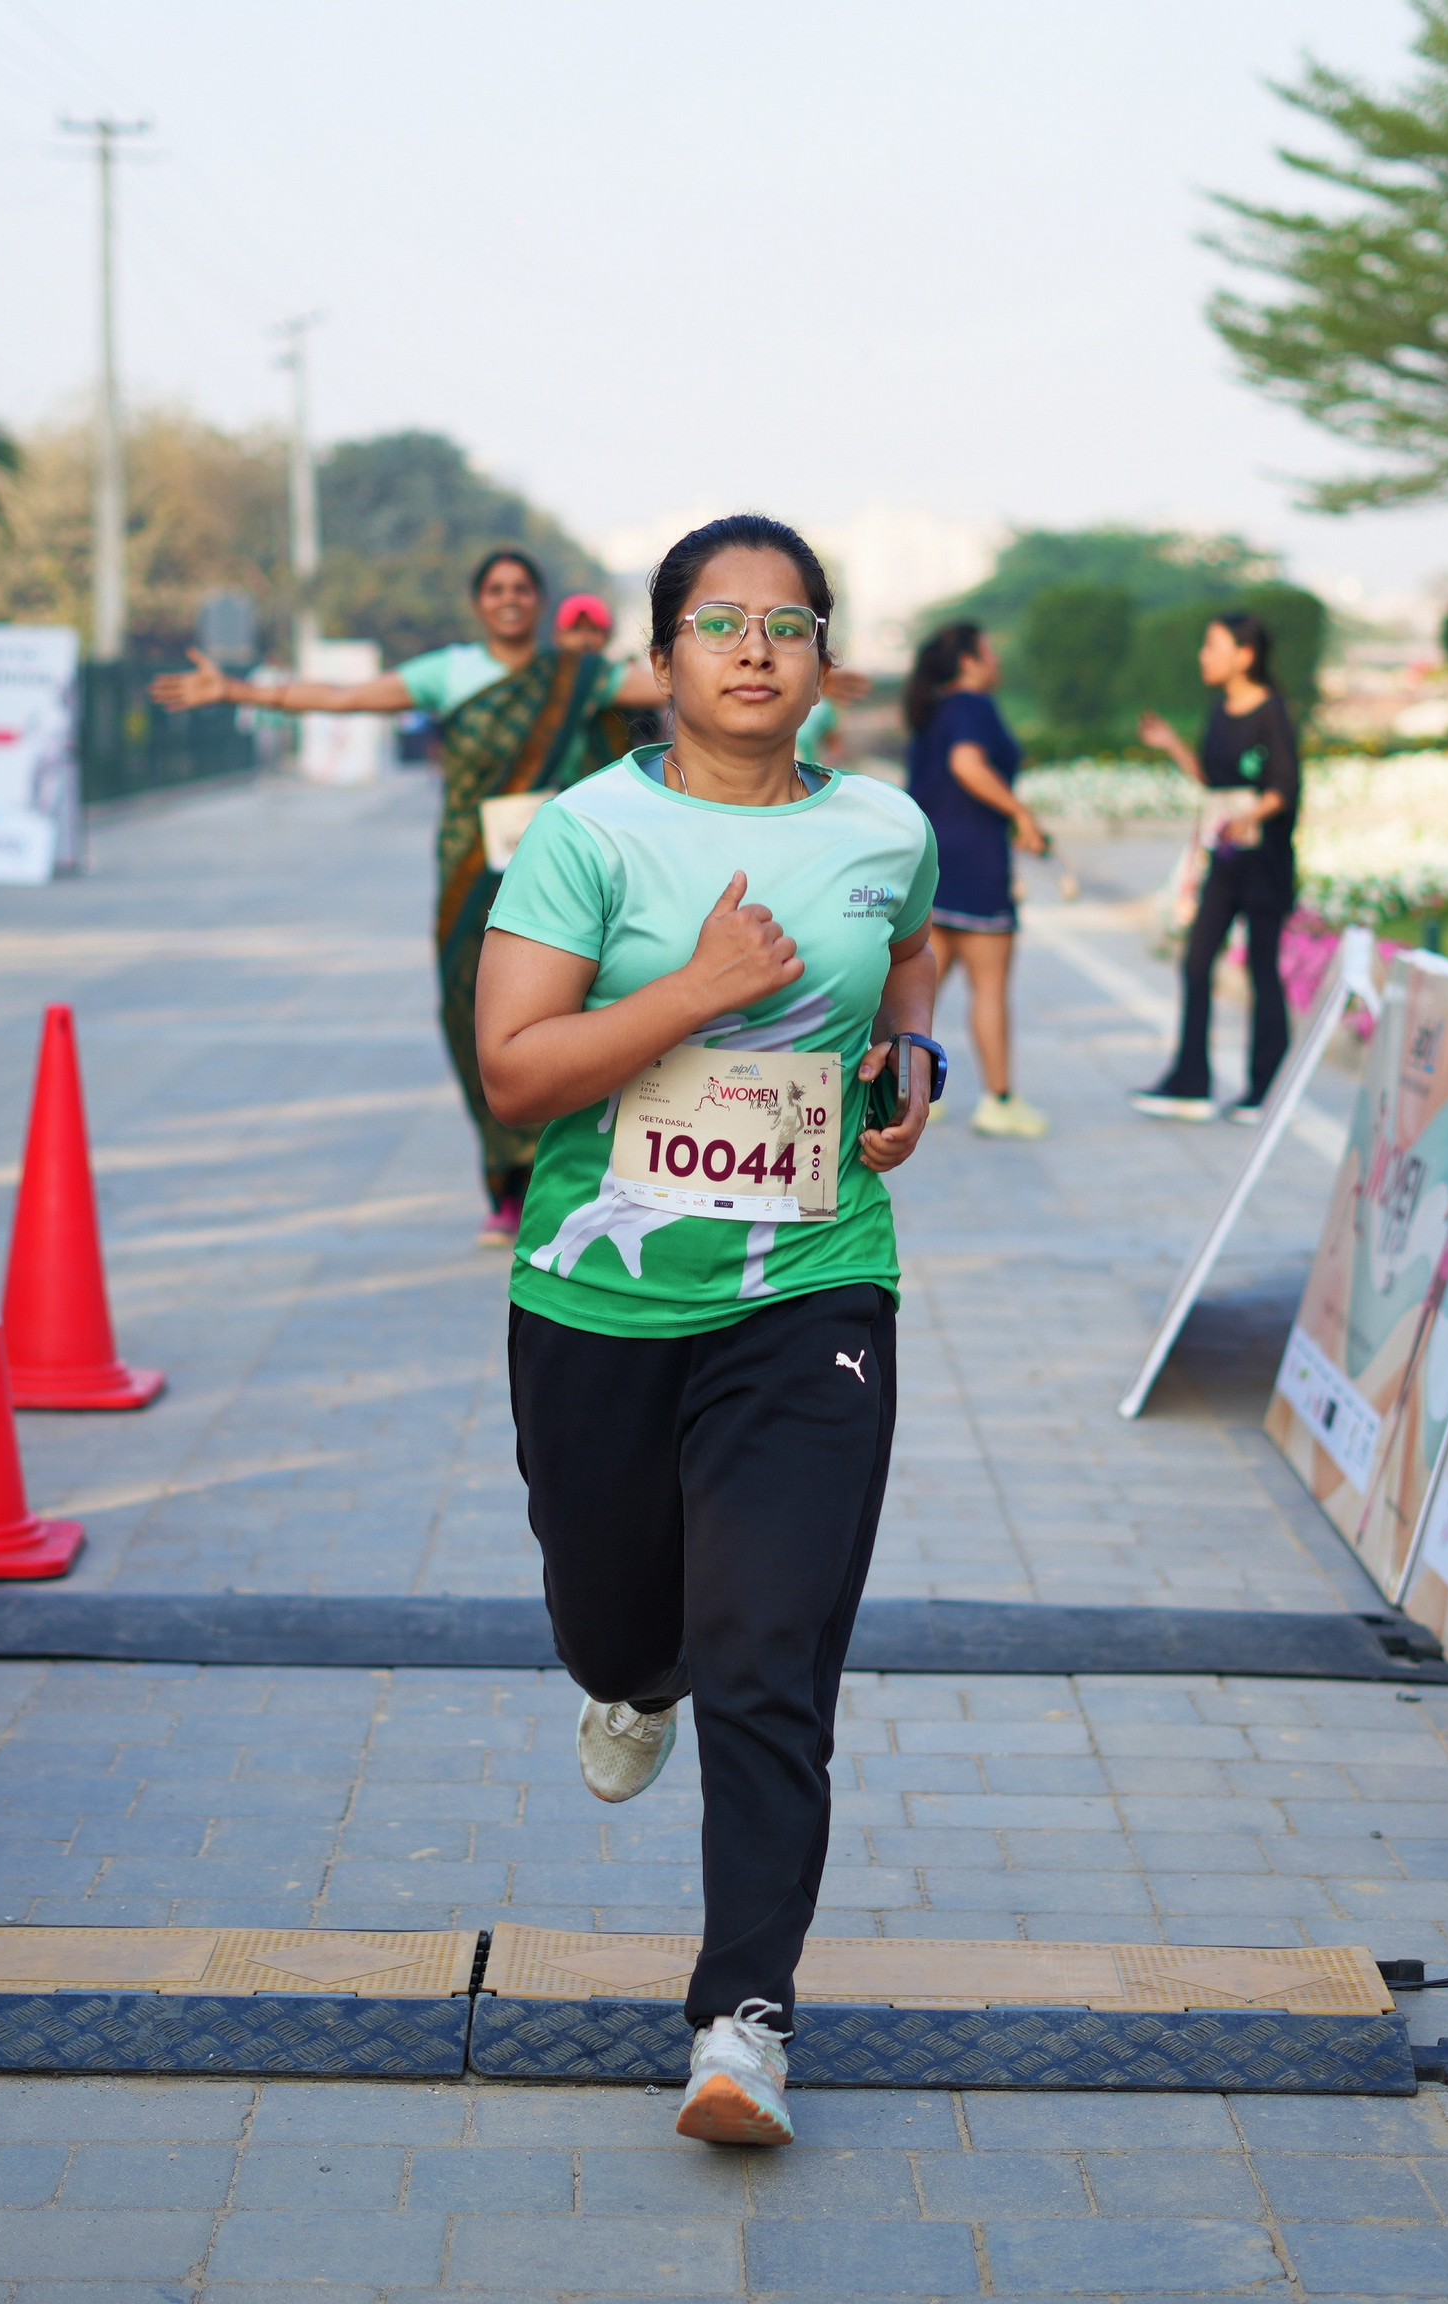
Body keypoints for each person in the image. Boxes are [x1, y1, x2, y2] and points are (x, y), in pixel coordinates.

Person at [474, 513, 943, 2151]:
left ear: (824, 661)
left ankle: (743, 2019)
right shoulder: (588, 835)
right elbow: (514, 1074)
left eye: (787, 622)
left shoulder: (883, 827)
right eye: (720, 621)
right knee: (619, 1620)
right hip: (598, 1297)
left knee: (771, 1645)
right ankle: (630, 1673)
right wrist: (697, 988)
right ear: (661, 656)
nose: (755, 647)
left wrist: (912, 1065)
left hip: (813, 1281)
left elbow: (911, 964)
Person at [154, 554, 654, 1240]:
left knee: (567, 1017)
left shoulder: (577, 676)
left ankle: (562, 1175)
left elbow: (668, 685)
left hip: (559, 876)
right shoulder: (450, 672)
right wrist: (236, 691)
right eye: (495, 590)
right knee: (470, 1018)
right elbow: (343, 699)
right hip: (469, 876)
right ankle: (506, 1180)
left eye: (521, 589)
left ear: (540, 602)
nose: (509, 599)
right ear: (478, 604)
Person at [1131, 609, 1301, 1123]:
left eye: (1213, 646)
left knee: (1262, 970)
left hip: (1264, 862)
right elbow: (1212, 778)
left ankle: (1265, 1090)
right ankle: (1191, 1082)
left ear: (1244, 656)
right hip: (1225, 861)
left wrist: (1251, 815)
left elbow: (1285, 786)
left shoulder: (1272, 712)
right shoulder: (1220, 711)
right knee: (1196, 963)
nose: (1203, 656)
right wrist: (1171, 745)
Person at [900, 620, 1049, 1138]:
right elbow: (967, 763)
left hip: (931, 859)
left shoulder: (934, 710)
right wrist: (1021, 814)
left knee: (918, 988)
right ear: (969, 662)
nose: (996, 660)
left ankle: (903, 1092)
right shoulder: (973, 706)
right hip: (976, 860)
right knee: (989, 985)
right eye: (989, 651)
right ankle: (999, 1100)